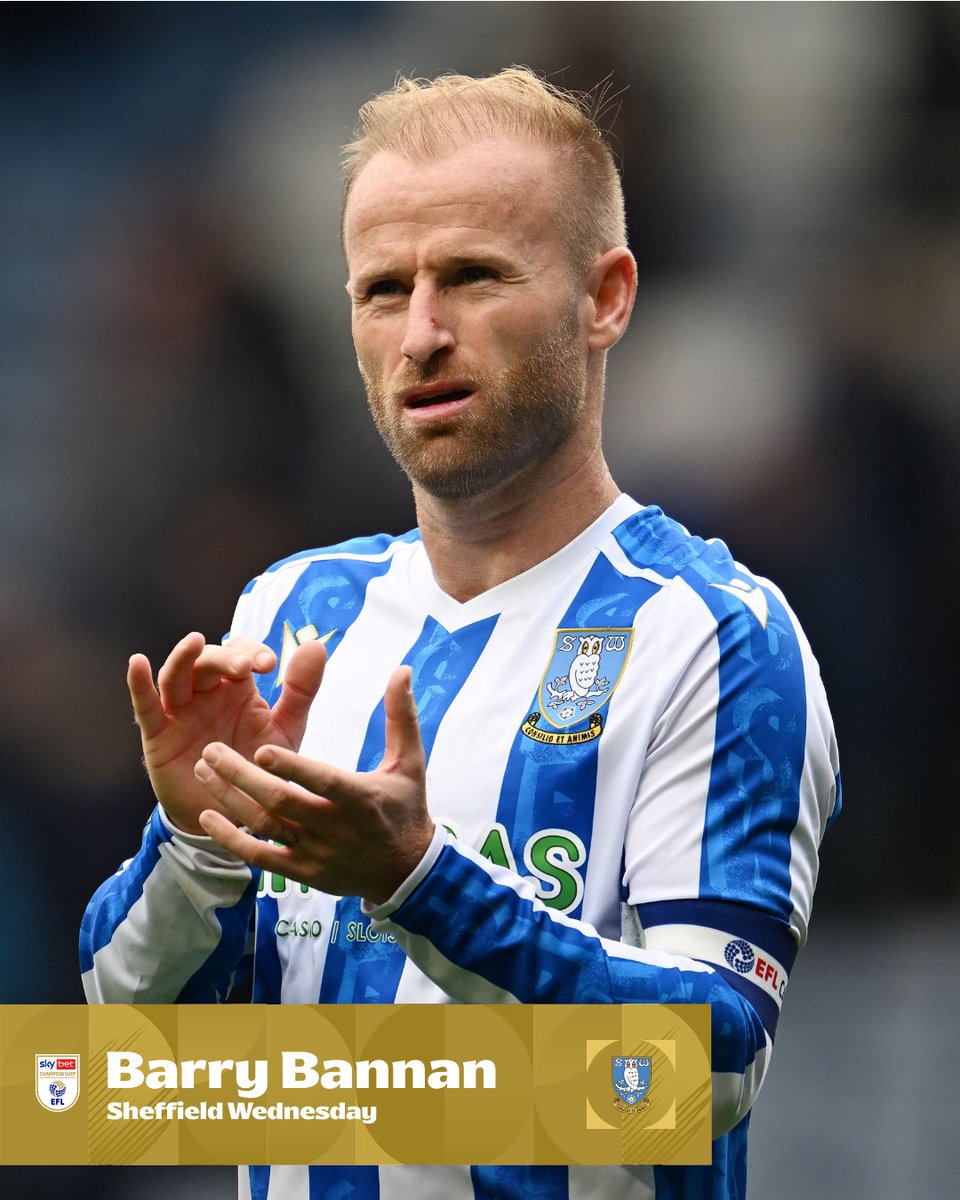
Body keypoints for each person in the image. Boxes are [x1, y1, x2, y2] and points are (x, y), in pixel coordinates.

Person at [81, 67, 840, 1200]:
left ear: (607, 298)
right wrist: (193, 850)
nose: (422, 333)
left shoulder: (715, 637)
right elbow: (131, 1063)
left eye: (474, 277)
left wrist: (423, 885)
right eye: (382, 289)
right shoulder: (290, 616)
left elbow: (703, 1073)